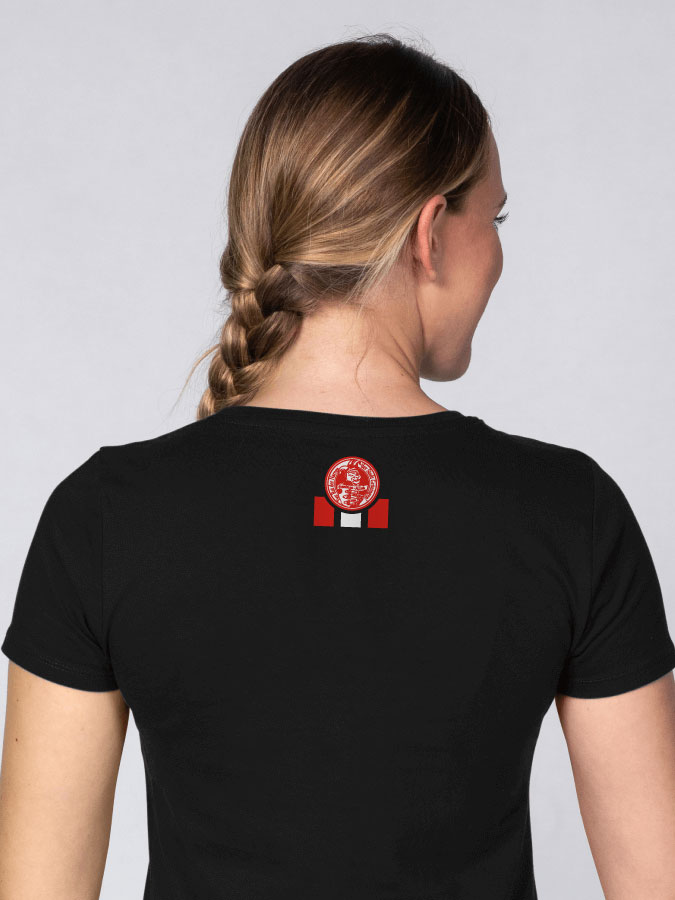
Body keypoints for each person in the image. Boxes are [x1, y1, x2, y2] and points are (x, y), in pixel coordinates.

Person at [0, 32, 674, 900]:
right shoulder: (568, 511)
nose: (499, 253)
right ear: (430, 233)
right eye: (494, 219)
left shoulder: (102, 515)